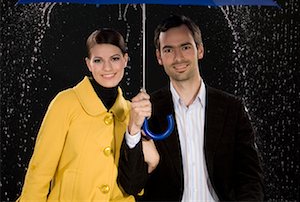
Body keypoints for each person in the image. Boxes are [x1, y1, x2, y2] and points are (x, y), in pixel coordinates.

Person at [118, 14, 265, 202]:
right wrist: (133, 131)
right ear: (159, 57)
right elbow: (132, 186)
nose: (178, 58)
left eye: (185, 47)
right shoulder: (145, 111)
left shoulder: (232, 109)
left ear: (200, 50)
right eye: (168, 50)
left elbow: (250, 178)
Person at [17, 28, 157, 202]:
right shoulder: (65, 103)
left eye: (114, 58)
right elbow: (40, 171)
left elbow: (133, 186)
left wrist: (135, 130)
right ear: (89, 64)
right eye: (98, 60)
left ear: (125, 60)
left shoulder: (133, 112)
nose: (107, 67)